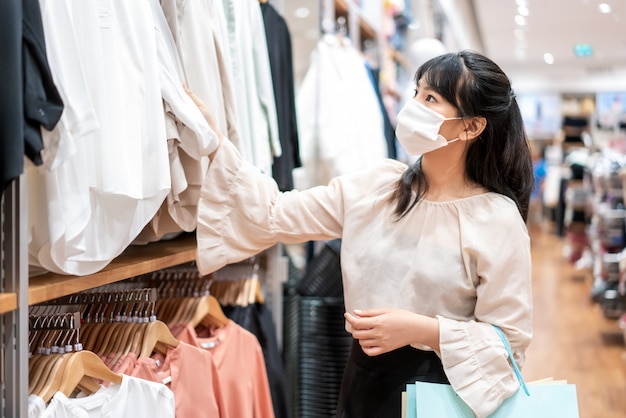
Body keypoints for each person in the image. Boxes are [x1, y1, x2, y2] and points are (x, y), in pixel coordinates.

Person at [187, 50, 534, 418]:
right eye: (416, 92)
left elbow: (508, 344)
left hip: (446, 393)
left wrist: (423, 330)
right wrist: (216, 146)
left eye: (430, 99)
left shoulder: (495, 218)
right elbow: (274, 214)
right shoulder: (376, 188)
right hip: (364, 379)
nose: (412, 106)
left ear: (471, 126)